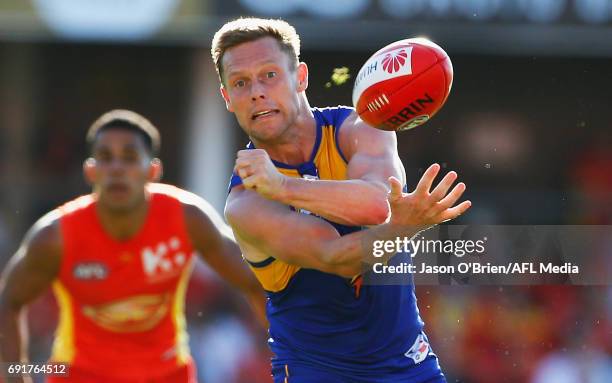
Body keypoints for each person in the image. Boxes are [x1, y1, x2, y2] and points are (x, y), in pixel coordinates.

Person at [211, 17, 471, 383]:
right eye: (240, 83)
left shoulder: (360, 128)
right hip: (317, 372)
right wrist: (405, 228)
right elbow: (339, 259)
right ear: (227, 98)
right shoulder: (244, 204)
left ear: (300, 77)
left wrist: (282, 185)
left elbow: (377, 205)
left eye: (269, 75)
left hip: (408, 366)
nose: (256, 92)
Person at [0, 110, 266, 383]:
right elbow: (8, 301)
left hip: (167, 375)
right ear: (90, 170)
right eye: (105, 158)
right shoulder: (55, 236)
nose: (116, 168)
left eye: (129, 157)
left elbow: (256, 281)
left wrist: (286, 356)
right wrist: (16, 378)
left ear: (153, 170)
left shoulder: (188, 219)